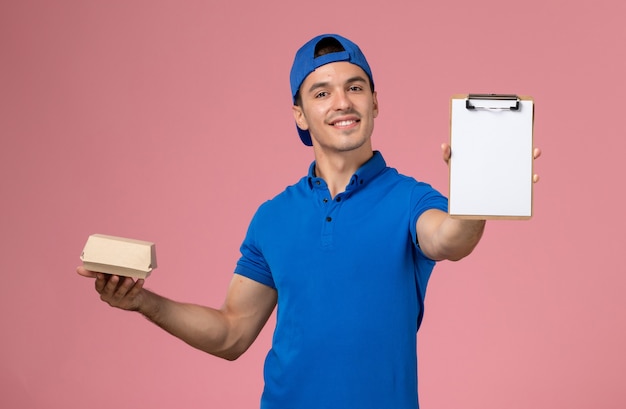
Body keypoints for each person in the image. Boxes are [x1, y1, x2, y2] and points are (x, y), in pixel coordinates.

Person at [78, 34, 541, 409]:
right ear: (300, 114)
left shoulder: (411, 200)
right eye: (322, 92)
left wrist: (477, 197)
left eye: (355, 87)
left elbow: (449, 239)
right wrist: (143, 303)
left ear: (375, 102)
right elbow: (231, 333)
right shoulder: (272, 217)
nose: (342, 101)